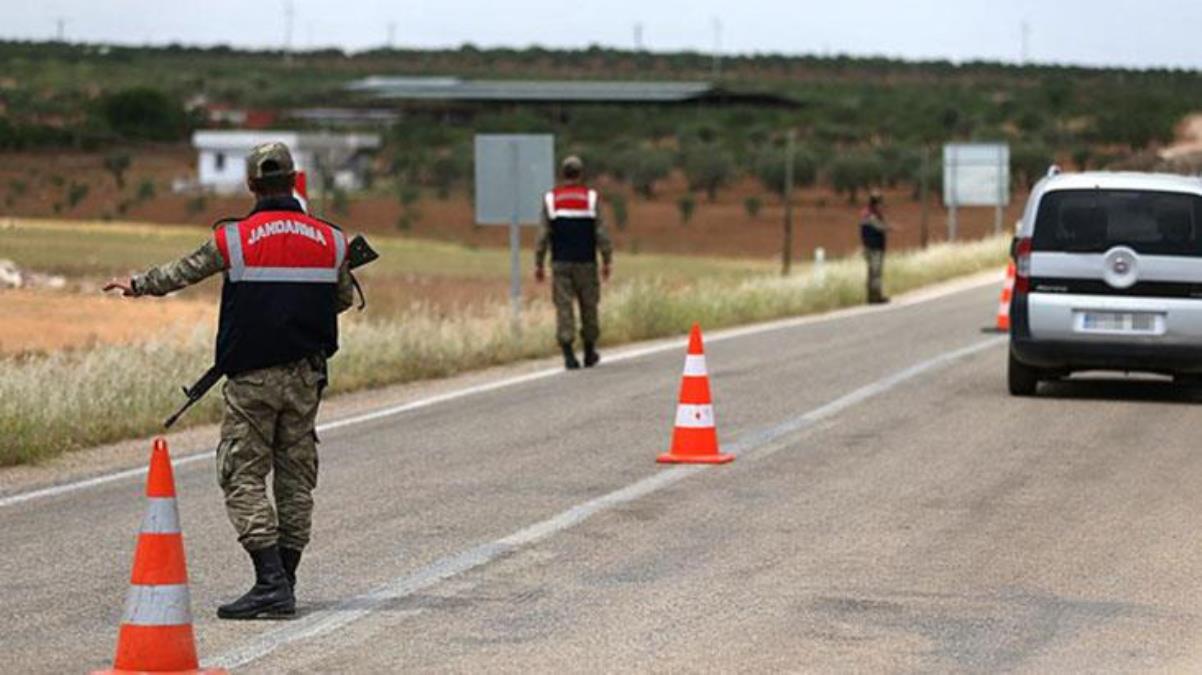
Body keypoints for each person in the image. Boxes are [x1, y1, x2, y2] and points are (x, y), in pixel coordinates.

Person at [104, 142, 355, 619]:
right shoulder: (333, 240)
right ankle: (285, 580)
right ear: (293, 179)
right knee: (296, 478)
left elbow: (182, 272)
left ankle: (270, 584)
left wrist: (137, 284)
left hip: (252, 378)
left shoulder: (233, 239)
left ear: (252, 184)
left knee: (242, 474)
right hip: (306, 378)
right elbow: (339, 300)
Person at [535, 155, 614, 370]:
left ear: (563, 173)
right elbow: (601, 233)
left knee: (564, 307)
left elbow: (543, 234)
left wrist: (539, 263)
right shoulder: (590, 198)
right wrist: (606, 259)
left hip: (560, 262)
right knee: (589, 306)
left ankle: (569, 355)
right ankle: (589, 352)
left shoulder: (551, 199)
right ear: (581, 174)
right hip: (586, 262)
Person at [860, 190, 895, 304]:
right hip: (874, 248)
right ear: (875, 204)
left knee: (872, 273)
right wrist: (890, 227)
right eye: (880, 203)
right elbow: (880, 227)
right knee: (875, 273)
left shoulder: (869, 214)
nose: (882, 206)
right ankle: (875, 297)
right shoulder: (870, 216)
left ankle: (872, 297)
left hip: (872, 247)